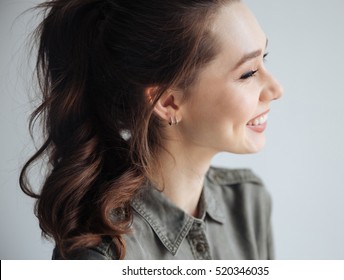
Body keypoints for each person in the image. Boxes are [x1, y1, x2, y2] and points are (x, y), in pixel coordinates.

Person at [20, 0, 283, 260]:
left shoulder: (249, 202)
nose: (276, 90)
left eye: (265, 58)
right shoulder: (103, 254)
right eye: (248, 73)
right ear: (168, 102)